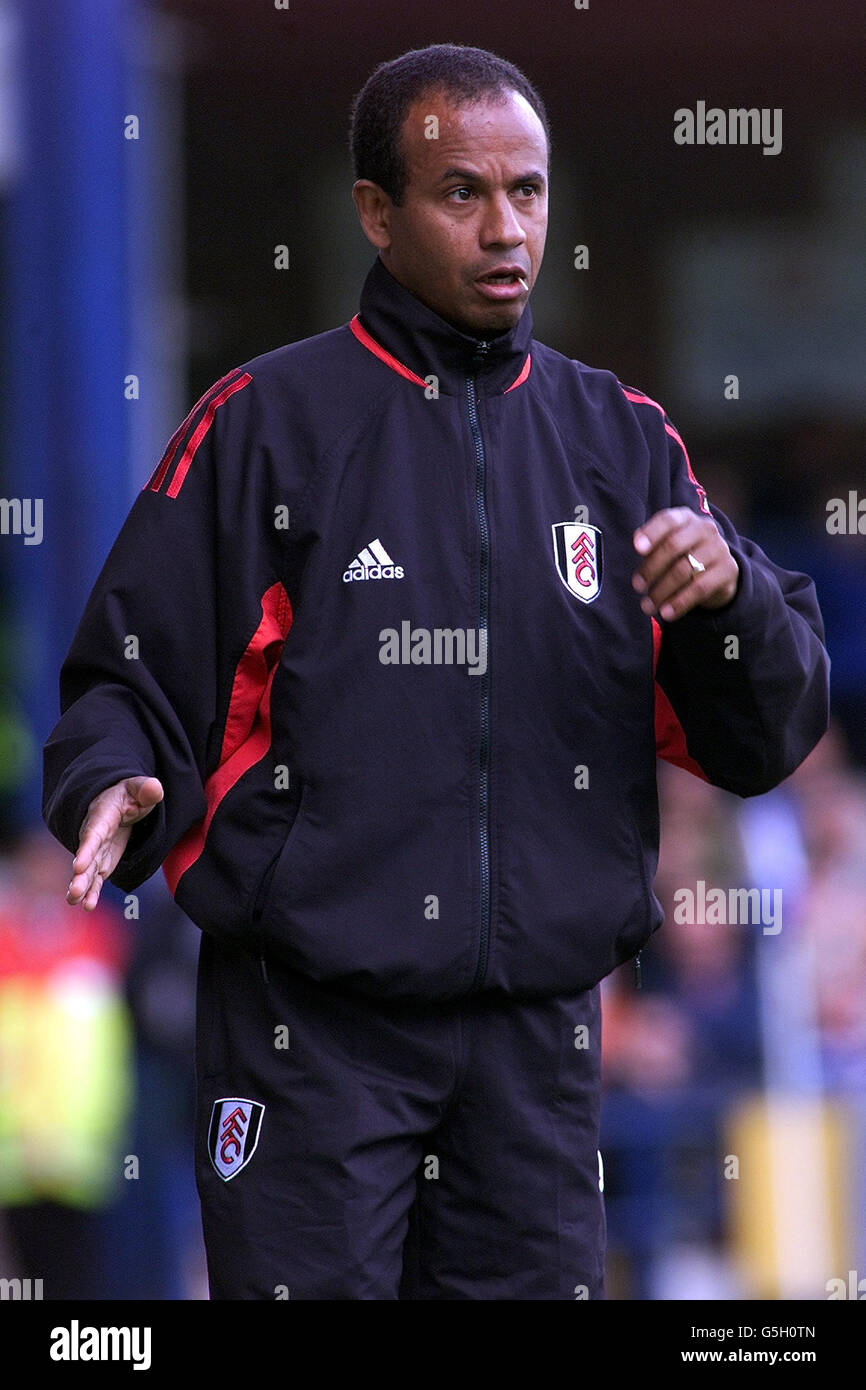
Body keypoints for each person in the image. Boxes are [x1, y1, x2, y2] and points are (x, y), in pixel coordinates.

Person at [42, 44, 830, 1300]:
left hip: (535, 1048)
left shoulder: (619, 443)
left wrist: (728, 592)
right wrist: (116, 772)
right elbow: (128, 674)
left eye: (527, 191)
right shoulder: (263, 423)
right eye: (461, 192)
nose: (505, 226)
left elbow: (760, 736)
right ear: (375, 210)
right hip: (311, 1042)